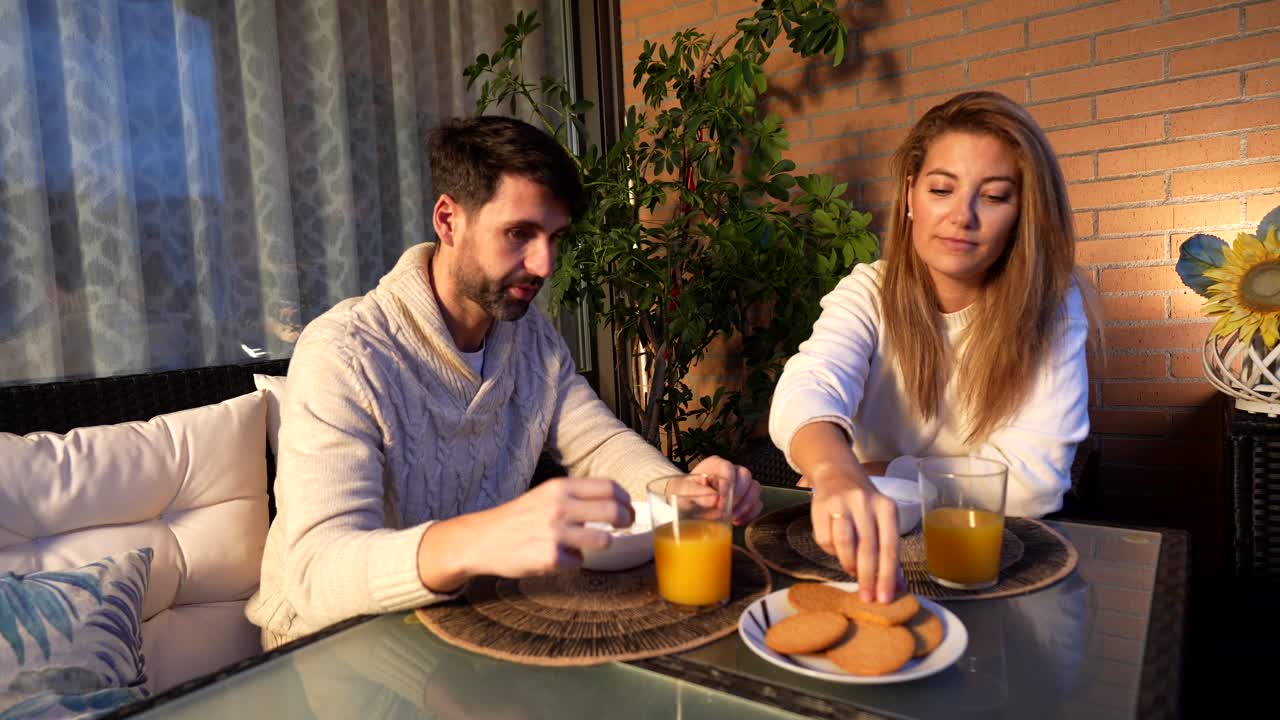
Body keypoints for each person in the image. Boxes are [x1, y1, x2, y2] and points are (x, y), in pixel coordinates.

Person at [247, 116, 763, 648]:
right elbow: (315, 573)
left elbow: (600, 443)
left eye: (554, 237)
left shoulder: (531, 339)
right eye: (520, 234)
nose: (544, 264)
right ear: (449, 221)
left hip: (465, 626)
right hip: (329, 650)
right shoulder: (344, 353)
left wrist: (676, 491)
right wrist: (483, 538)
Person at [768, 91, 1095, 605]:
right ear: (910, 195)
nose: (962, 216)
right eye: (942, 189)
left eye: (994, 196)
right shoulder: (869, 290)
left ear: (1023, 212)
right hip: (864, 548)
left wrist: (883, 471)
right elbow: (808, 387)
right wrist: (836, 469)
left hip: (991, 567)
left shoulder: (1052, 306)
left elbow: (1033, 487)